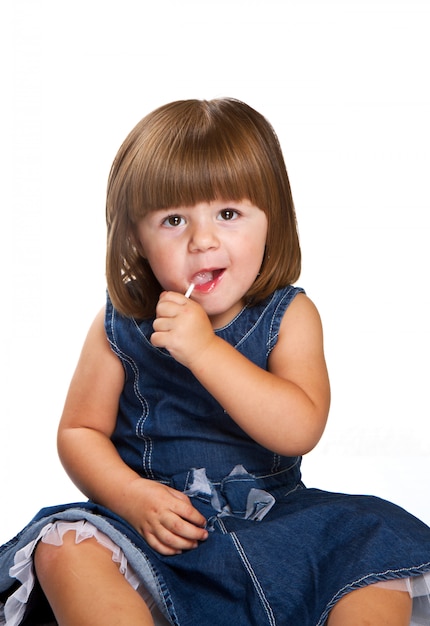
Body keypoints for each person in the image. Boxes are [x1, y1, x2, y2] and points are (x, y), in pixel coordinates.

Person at [1, 98, 430, 626]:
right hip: (154, 532)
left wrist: (205, 351)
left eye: (228, 214)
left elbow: (299, 427)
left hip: (275, 522)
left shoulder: (289, 315)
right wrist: (130, 496)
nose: (203, 240)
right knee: (64, 546)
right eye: (174, 219)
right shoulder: (121, 322)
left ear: (271, 219)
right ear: (136, 237)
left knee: (373, 554)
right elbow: (79, 431)